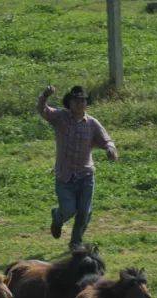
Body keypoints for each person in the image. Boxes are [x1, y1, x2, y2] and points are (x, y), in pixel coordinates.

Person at [37, 85, 119, 250]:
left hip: (86, 175)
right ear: (70, 103)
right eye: (76, 100)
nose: (80, 103)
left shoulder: (92, 123)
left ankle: (76, 242)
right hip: (65, 176)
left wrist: (111, 149)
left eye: (83, 100)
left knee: (85, 212)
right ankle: (57, 217)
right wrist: (44, 96)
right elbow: (43, 110)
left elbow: (107, 140)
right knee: (68, 210)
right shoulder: (60, 117)